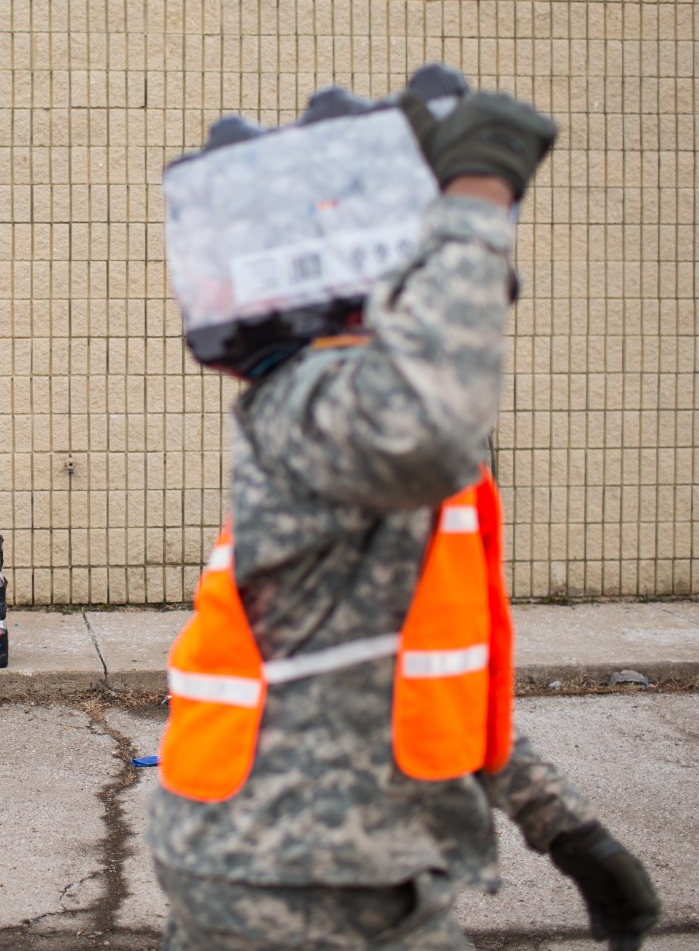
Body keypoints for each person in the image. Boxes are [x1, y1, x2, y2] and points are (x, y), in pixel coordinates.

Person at [149, 86, 661, 949]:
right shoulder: (319, 405)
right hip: (289, 868)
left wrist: (566, 829)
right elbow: (425, 419)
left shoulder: (370, 431)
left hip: (318, 858)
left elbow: (428, 686)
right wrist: (476, 197)